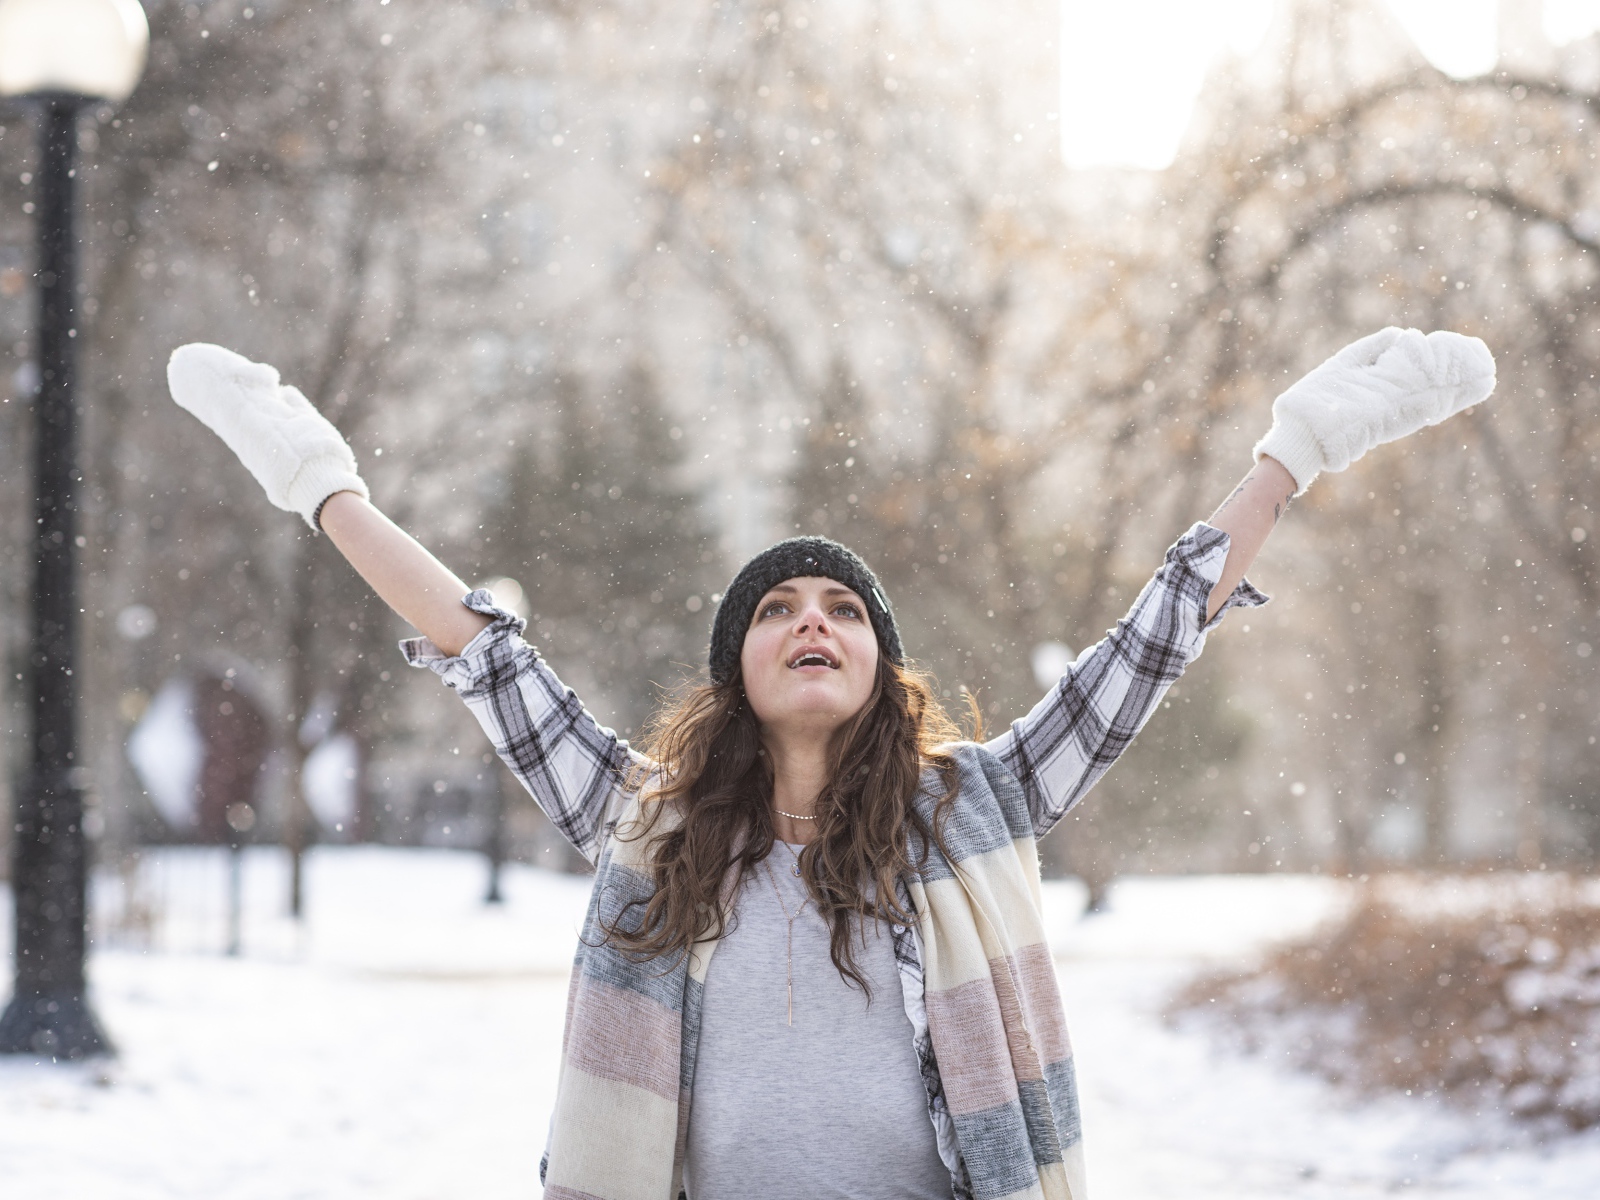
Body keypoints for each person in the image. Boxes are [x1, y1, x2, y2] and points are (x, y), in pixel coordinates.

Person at [166, 326, 1494, 1200]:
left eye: (845, 609)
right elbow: (484, 653)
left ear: (882, 669)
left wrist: (1292, 451)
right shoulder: (651, 823)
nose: (814, 620)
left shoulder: (978, 807)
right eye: (781, 609)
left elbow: (1149, 646)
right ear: (737, 670)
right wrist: (322, 484)